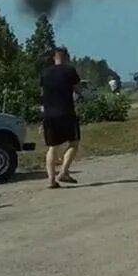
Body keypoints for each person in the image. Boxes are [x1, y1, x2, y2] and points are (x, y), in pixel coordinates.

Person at [39, 47, 85, 187]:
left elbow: (42, 94)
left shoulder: (45, 73)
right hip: (66, 113)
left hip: (49, 115)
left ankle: (51, 179)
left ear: (54, 57)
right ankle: (64, 171)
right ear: (66, 57)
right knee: (74, 142)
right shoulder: (69, 71)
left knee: (52, 147)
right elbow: (78, 90)